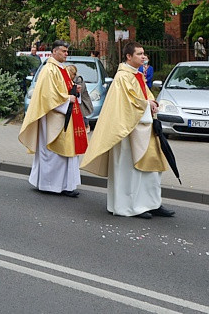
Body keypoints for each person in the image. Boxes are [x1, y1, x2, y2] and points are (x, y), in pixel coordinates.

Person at [81, 42, 175, 219]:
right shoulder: (122, 77)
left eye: (143, 53)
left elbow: (145, 96)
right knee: (130, 170)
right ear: (128, 57)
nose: (143, 56)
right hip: (127, 132)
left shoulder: (137, 75)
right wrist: (147, 105)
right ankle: (130, 206)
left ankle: (153, 203)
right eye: (139, 53)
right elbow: (127, 105)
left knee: (153, 169)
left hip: (143, 130)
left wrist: (152, 103)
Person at [18, 40, 86, 197]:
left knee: (64, 151)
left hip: (64, 116)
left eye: (67, 51)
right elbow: (49, 95)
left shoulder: (61, 69)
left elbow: (64, 91)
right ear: (54, 52)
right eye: (63, 51)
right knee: (53, 153)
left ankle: (64, 185)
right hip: (52, 117)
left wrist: (75, 91)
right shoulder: (49, 70)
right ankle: (50, 185)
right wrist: (67, 98)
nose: (66, 54)